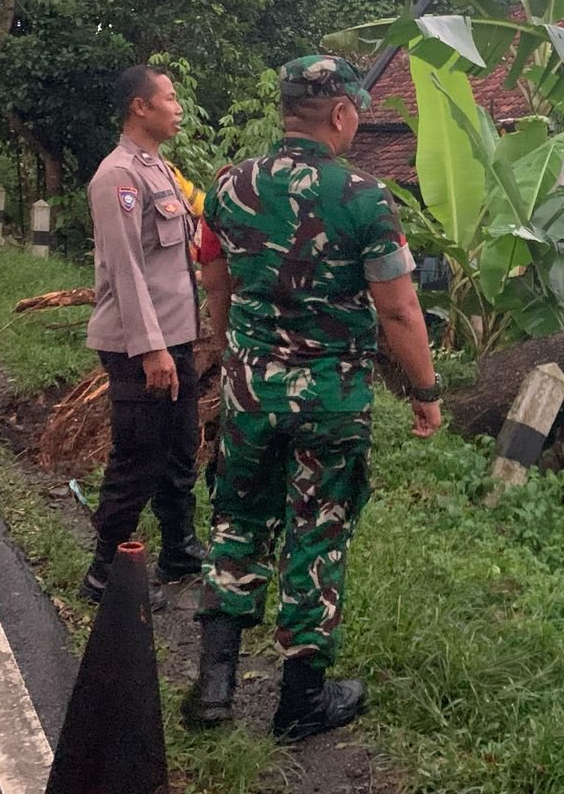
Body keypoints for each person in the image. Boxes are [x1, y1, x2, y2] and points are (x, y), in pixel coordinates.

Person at [184, 55, 439, 743]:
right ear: (341, 114)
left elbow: (214, 282)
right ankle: (300, 703)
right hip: (330, 400)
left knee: (237, 517)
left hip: (251, 390)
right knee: (316, 533)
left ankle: (214, 686)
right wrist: (425, 391)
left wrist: (235, 351)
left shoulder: (227, 188)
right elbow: (400, 312)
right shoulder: (363, 198)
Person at [80, 64, 205, 605]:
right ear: (140, 106)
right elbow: (126, 269)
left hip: (176, 338)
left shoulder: (160, 170)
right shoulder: (118, 177)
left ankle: (179, 550)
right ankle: (104, 573)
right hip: (141, 346)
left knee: (179, 451)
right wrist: (153, 348)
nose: (178, 107)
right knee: (138, 457)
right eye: (170, 98)